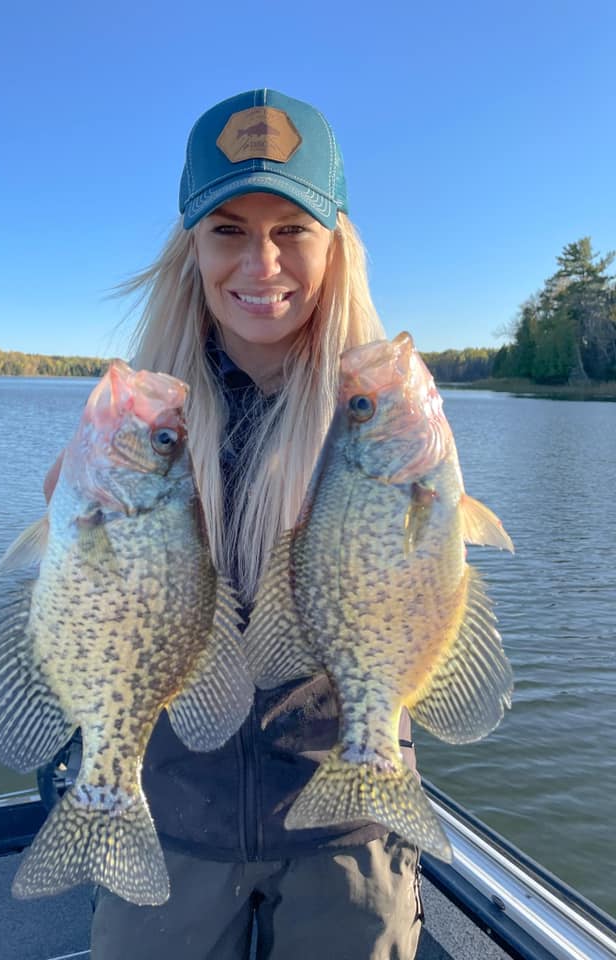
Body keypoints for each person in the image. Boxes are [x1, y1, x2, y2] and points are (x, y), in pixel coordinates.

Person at [87, 89, 424, 959]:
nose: (260, 263)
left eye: (292, 230)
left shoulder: (375, 422)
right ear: (191, 247)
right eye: (228, 229)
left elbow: (418, 606)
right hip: (169, 819)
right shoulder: (140, 423)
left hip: (346, 826)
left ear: (335, 244)